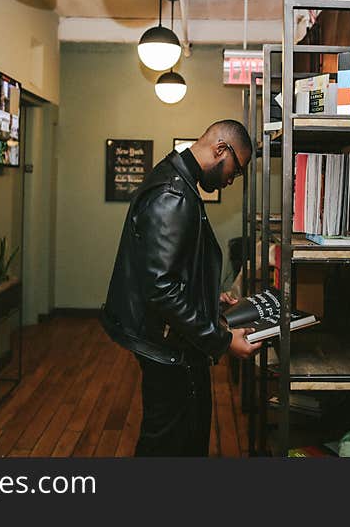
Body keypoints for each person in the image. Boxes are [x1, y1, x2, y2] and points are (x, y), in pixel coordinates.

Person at [100, 119, 261, 456]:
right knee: (171, 442)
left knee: (179, 436)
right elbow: (160, 288)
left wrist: (206, 294)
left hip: (169, 340)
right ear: (220, 149)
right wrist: (223, 340)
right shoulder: (174, 195)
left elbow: (168, 268)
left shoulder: (177, 180)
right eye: (237, 169)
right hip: (167, 347)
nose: (232, 179)